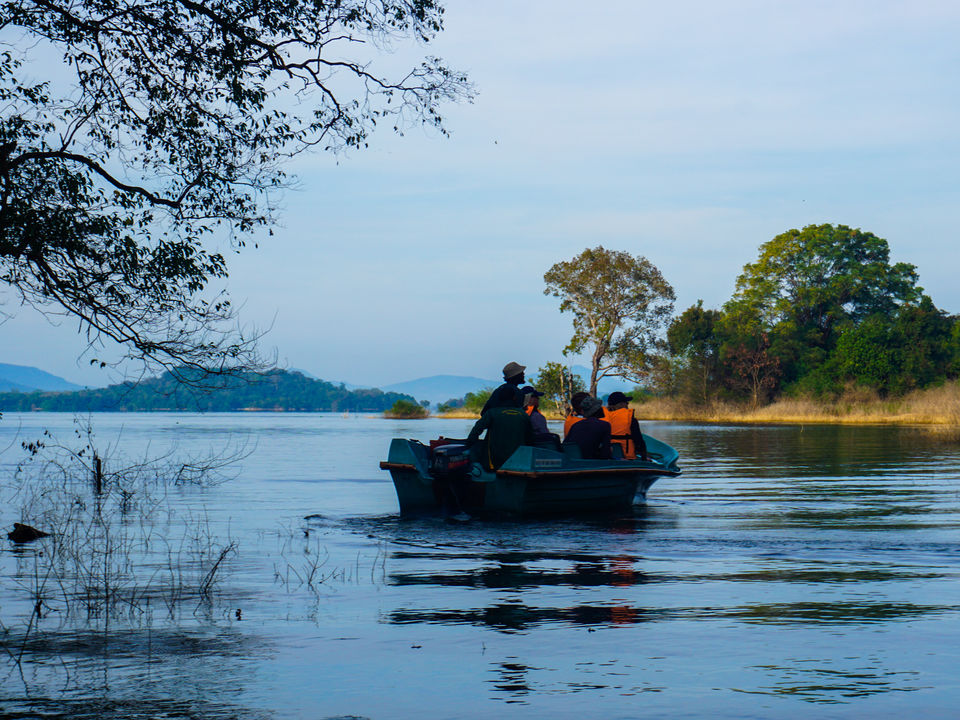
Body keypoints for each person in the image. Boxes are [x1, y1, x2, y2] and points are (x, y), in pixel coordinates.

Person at [466, 404, 534, 470]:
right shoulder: (524, 414)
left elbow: (474, 433)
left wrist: (470, 444)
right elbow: (530, 439)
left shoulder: (492, 413)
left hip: (494, 463)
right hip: (517, 462)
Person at [603, 391, 649, 460]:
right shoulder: (630, 419)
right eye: (626, 403)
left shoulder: (601, 418)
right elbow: (638, 441)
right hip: (627, 458)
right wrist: (644, 457)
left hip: (605, 457)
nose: (628, 404)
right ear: (620, 404)